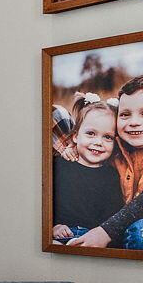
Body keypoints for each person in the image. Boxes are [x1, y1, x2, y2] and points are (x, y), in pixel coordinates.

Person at [62, 72, 143, 252]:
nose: (134, 122)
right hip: (131, 226)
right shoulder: (116, 148)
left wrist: (105, 232)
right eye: (125, 114)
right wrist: (74, 148)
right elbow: (93, 143)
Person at [51, 97, 122, 244]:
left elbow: (112, 216)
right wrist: (53, 226)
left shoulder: (112, 175)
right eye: (90, 133)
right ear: (75, 136)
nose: (98, 142)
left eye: (108, 137)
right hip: (60, 235)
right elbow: (47, 203)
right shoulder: (58, 165)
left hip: (94, 239)